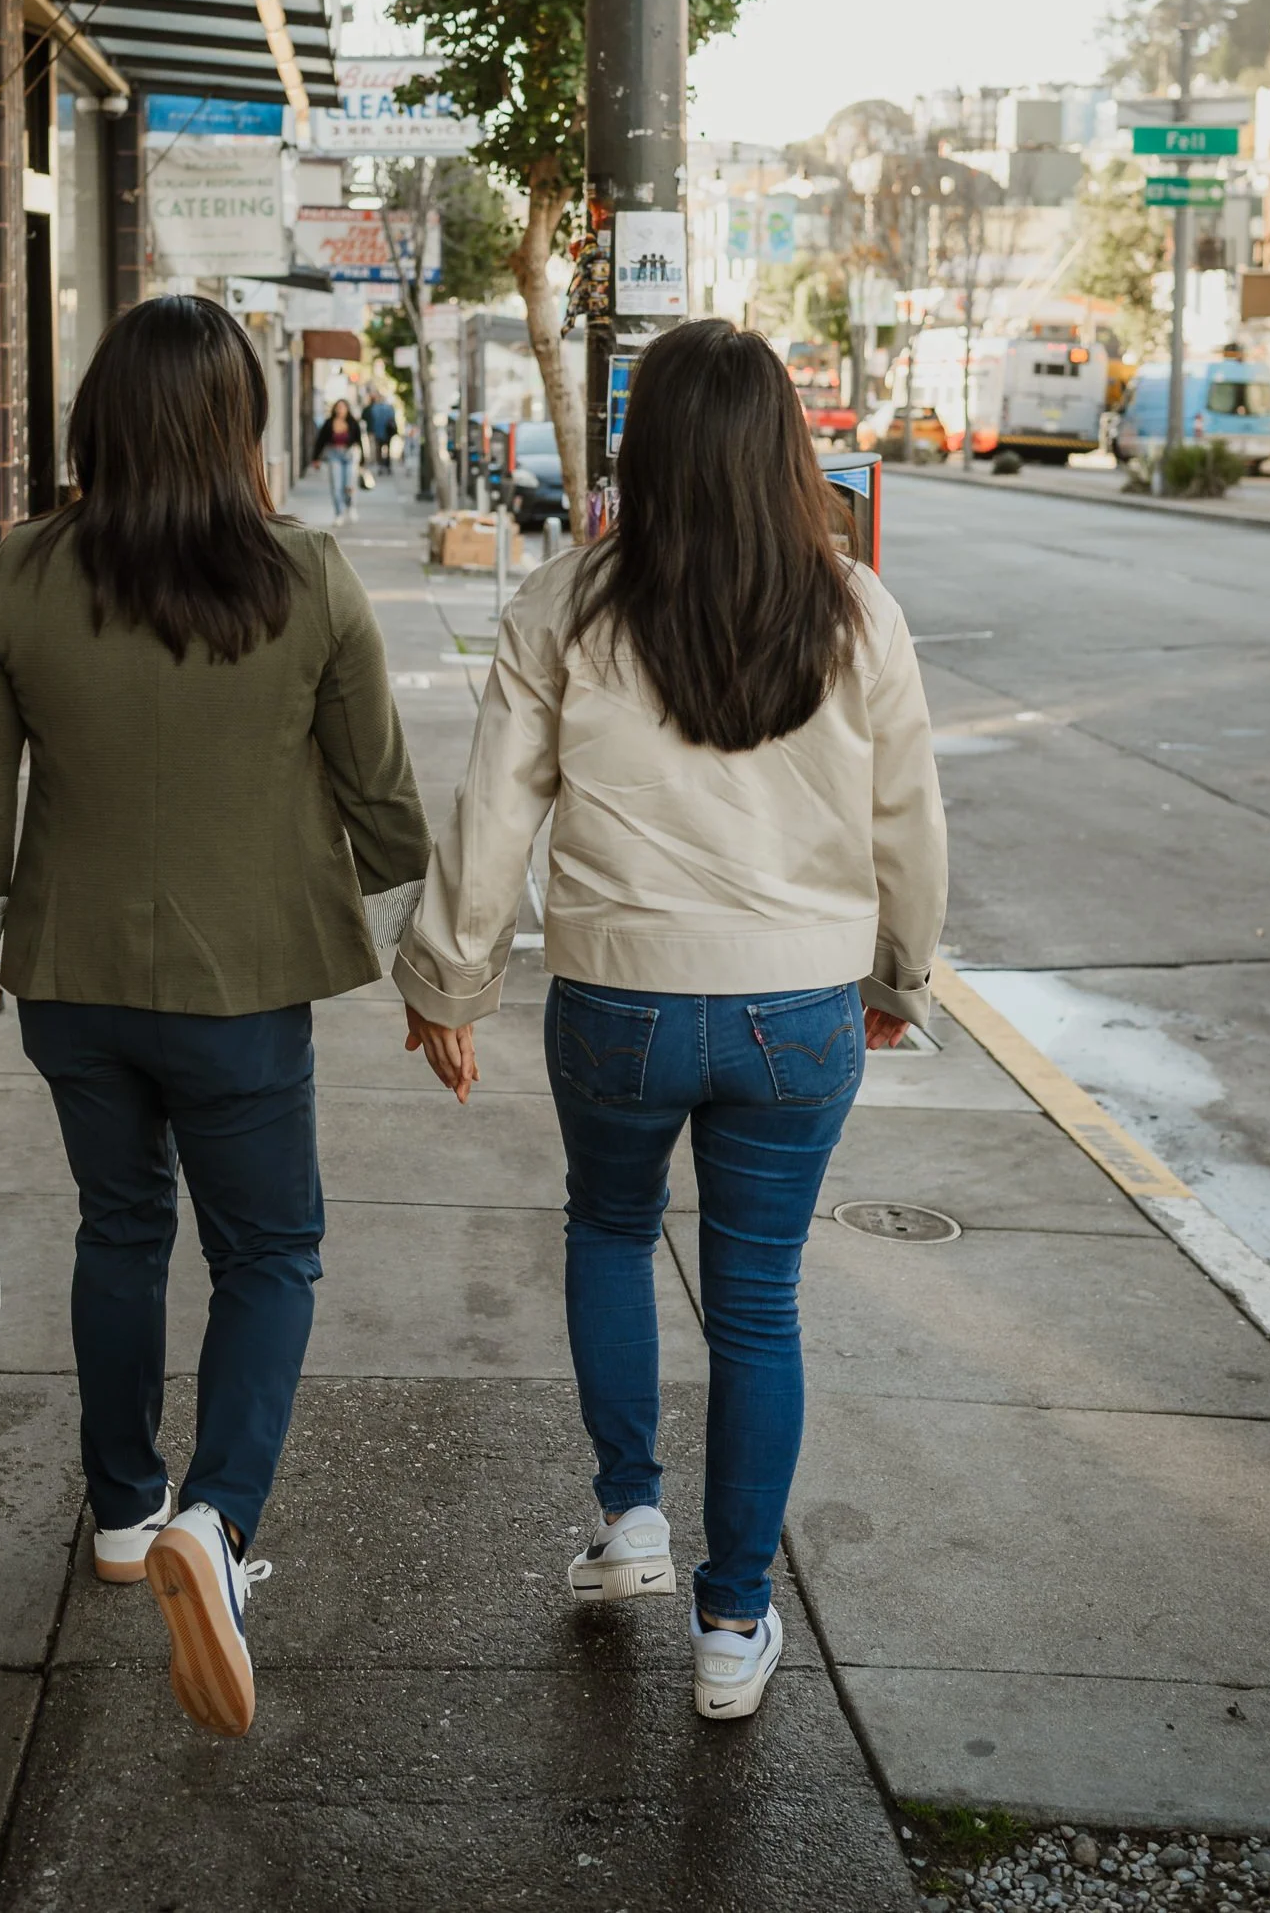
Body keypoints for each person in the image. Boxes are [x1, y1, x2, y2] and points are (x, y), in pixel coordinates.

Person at [394, 320, 946, 1726]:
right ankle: (731, 1621)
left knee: (606, 1230)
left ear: (643, 452)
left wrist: (449, 982)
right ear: (782, 451)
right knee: (758, 1303)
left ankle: (627, 1520)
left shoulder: (564, 605)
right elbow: (908, 825)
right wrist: (897, 977)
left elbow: (495, 811)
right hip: (795, 1007)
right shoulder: (852, 611)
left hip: (617, 1000)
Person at [0, 296, 431, 1740]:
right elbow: (378, 799)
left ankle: (123, 1508)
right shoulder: (305, 579)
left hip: (74, 987)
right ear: (236, 425)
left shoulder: (16, 576)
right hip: (241, 991)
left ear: (98, 421)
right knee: (269, 1250)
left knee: (121, 1229)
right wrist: (430, 980)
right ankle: (217, 1521)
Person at [311, 397, 363, 520]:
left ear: (347, 409)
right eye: (338, 407)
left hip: (349, 455)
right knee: (336, 486)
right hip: (334, 455)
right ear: (334, 409)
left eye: (343, 407)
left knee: (349, 484)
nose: (340, 410)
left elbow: (359, 441)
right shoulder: (329, 423)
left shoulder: (352, 422)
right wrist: (316, 458)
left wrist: (362, 460)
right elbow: (320, 441)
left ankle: (350, 506)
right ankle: (339, 513)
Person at [365, 388, 399, 472]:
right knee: (388, 448)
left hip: (378, 432)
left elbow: (372, 420)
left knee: (379, 449)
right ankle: (387, 465)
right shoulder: (389, 408)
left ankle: (381, 466)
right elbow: (392, 419)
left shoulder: (374, 408)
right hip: (387, 432)